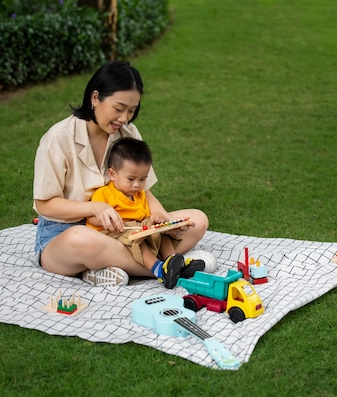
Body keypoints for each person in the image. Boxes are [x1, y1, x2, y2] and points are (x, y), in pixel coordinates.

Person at [33, 60, 210, 286]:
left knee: (197, 220)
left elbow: (143, 191)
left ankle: (109, 267)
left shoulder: (128, 132)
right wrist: (95, 207)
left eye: (132, 110)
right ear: (95, 98)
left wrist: (166, 222)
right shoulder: (58, 138)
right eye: (119, 109)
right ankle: (171, 269)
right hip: (64, 235)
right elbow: (44, 205)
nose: (124, 118)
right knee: (83, 240)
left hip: (126, 229)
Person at [86, 137, 204, 288]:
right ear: (113, 174)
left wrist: (156, 218)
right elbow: (92, 218)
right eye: (131, 179)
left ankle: (173, 261)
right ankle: (158, 270)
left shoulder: (139, 194)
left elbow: (145, 216)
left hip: (136, 228)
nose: (137, 185)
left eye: (142, 179)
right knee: (138, 240)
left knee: (160, 231)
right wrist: (109, 221)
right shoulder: (105, 193)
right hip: (114, 231)